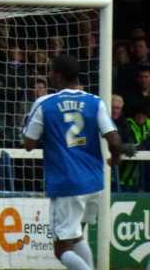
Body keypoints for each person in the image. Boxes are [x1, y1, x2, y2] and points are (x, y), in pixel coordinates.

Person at [23, 55, 122, 270]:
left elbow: (28, 143)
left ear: (58, 76)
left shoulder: (45, 104)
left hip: (67, 182)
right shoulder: (95, 102)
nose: (49, 75)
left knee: (61, 248)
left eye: (50, 72)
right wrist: (115, 159)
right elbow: (114, 139)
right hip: (95, 182)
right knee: (76, 237)